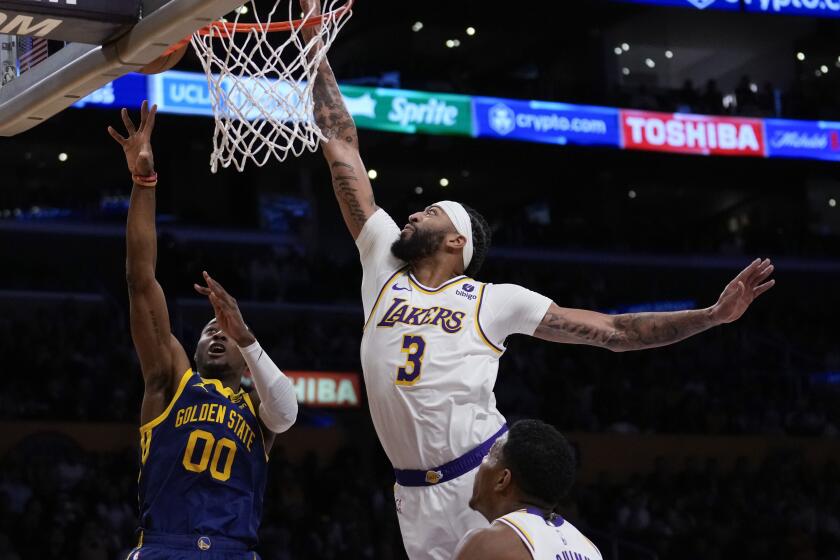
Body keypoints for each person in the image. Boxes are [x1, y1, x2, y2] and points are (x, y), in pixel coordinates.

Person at [301, 4, 775, 558]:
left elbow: (615, 331)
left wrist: (711, 317)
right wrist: (314, 45)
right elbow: (341, 145)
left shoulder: (495, 301)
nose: (410, 215)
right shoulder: (382, 261)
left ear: (458, 241)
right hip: (412, 492)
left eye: (429, 211)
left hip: (486, 477)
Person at [108, 101, 298, 559]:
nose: (217, 334)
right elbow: (141, 279)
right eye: (209, 329)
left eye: (226, 333)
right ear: (191, 345)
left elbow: (288, 412)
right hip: (164, 547)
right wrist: (144, 183)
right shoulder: (170, 379)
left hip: (235, 550)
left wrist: (246, 334)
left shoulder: (259, 411)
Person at [455, 419, 601, 560]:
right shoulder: (590, 550)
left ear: (502, 479)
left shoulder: (488, 545)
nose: (481, 462)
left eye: (489, 456)